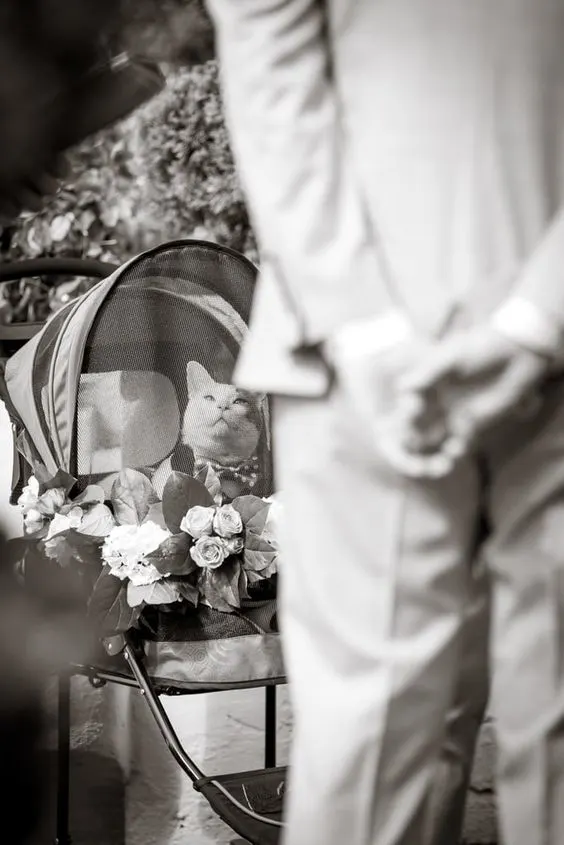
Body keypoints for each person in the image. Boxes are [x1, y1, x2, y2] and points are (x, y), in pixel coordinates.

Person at [203, 2, 564, 844]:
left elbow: (267, 38)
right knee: (376, 735)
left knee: (378, 737)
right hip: (353, 364)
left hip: (354, 345)